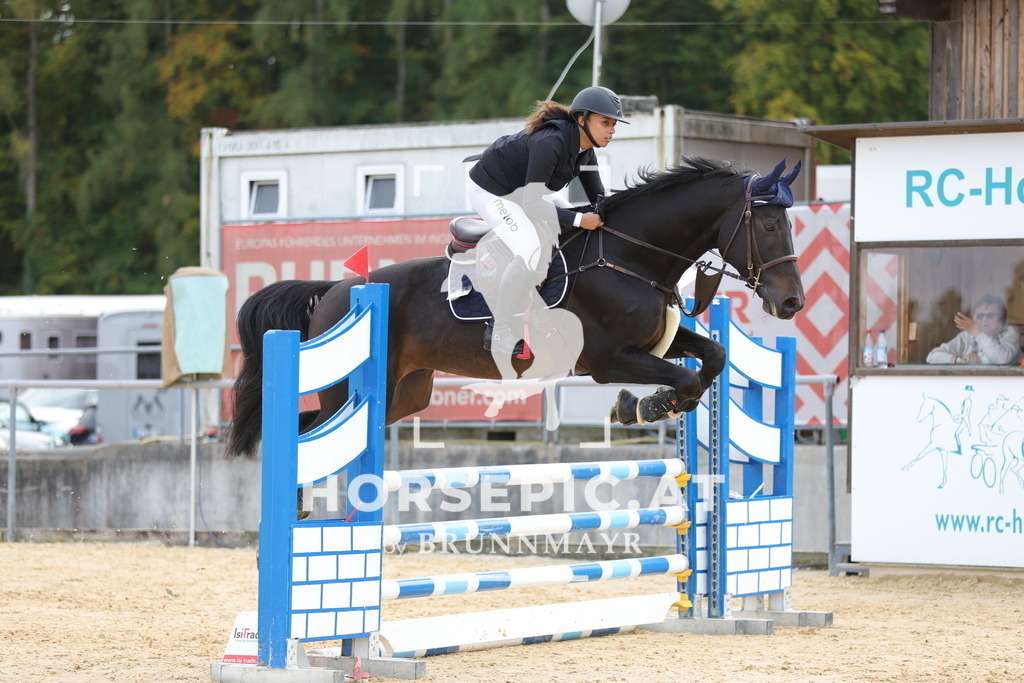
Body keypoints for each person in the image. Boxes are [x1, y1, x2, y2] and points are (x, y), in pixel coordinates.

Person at [466, 86, 629, 356]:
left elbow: (599, 199)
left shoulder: (586, 151)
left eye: (613, 124)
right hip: (493, 191)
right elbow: (531, 204)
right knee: (530, 249)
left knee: (575, 227)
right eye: (605, 123)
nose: (612, 130)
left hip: (525, 194)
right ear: (581, 119)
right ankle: (499, 329)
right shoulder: (550, 142)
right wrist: (578, 219)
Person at [926, 295, 1021, 365]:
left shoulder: (1010, 332)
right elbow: (932, 357)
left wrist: (977, 333)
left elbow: (1002, 359)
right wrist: (961, 360)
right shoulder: (967, 335)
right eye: (980, 316)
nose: (984, 320)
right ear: (974, 318)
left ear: (1002, 320)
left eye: (990, 315)